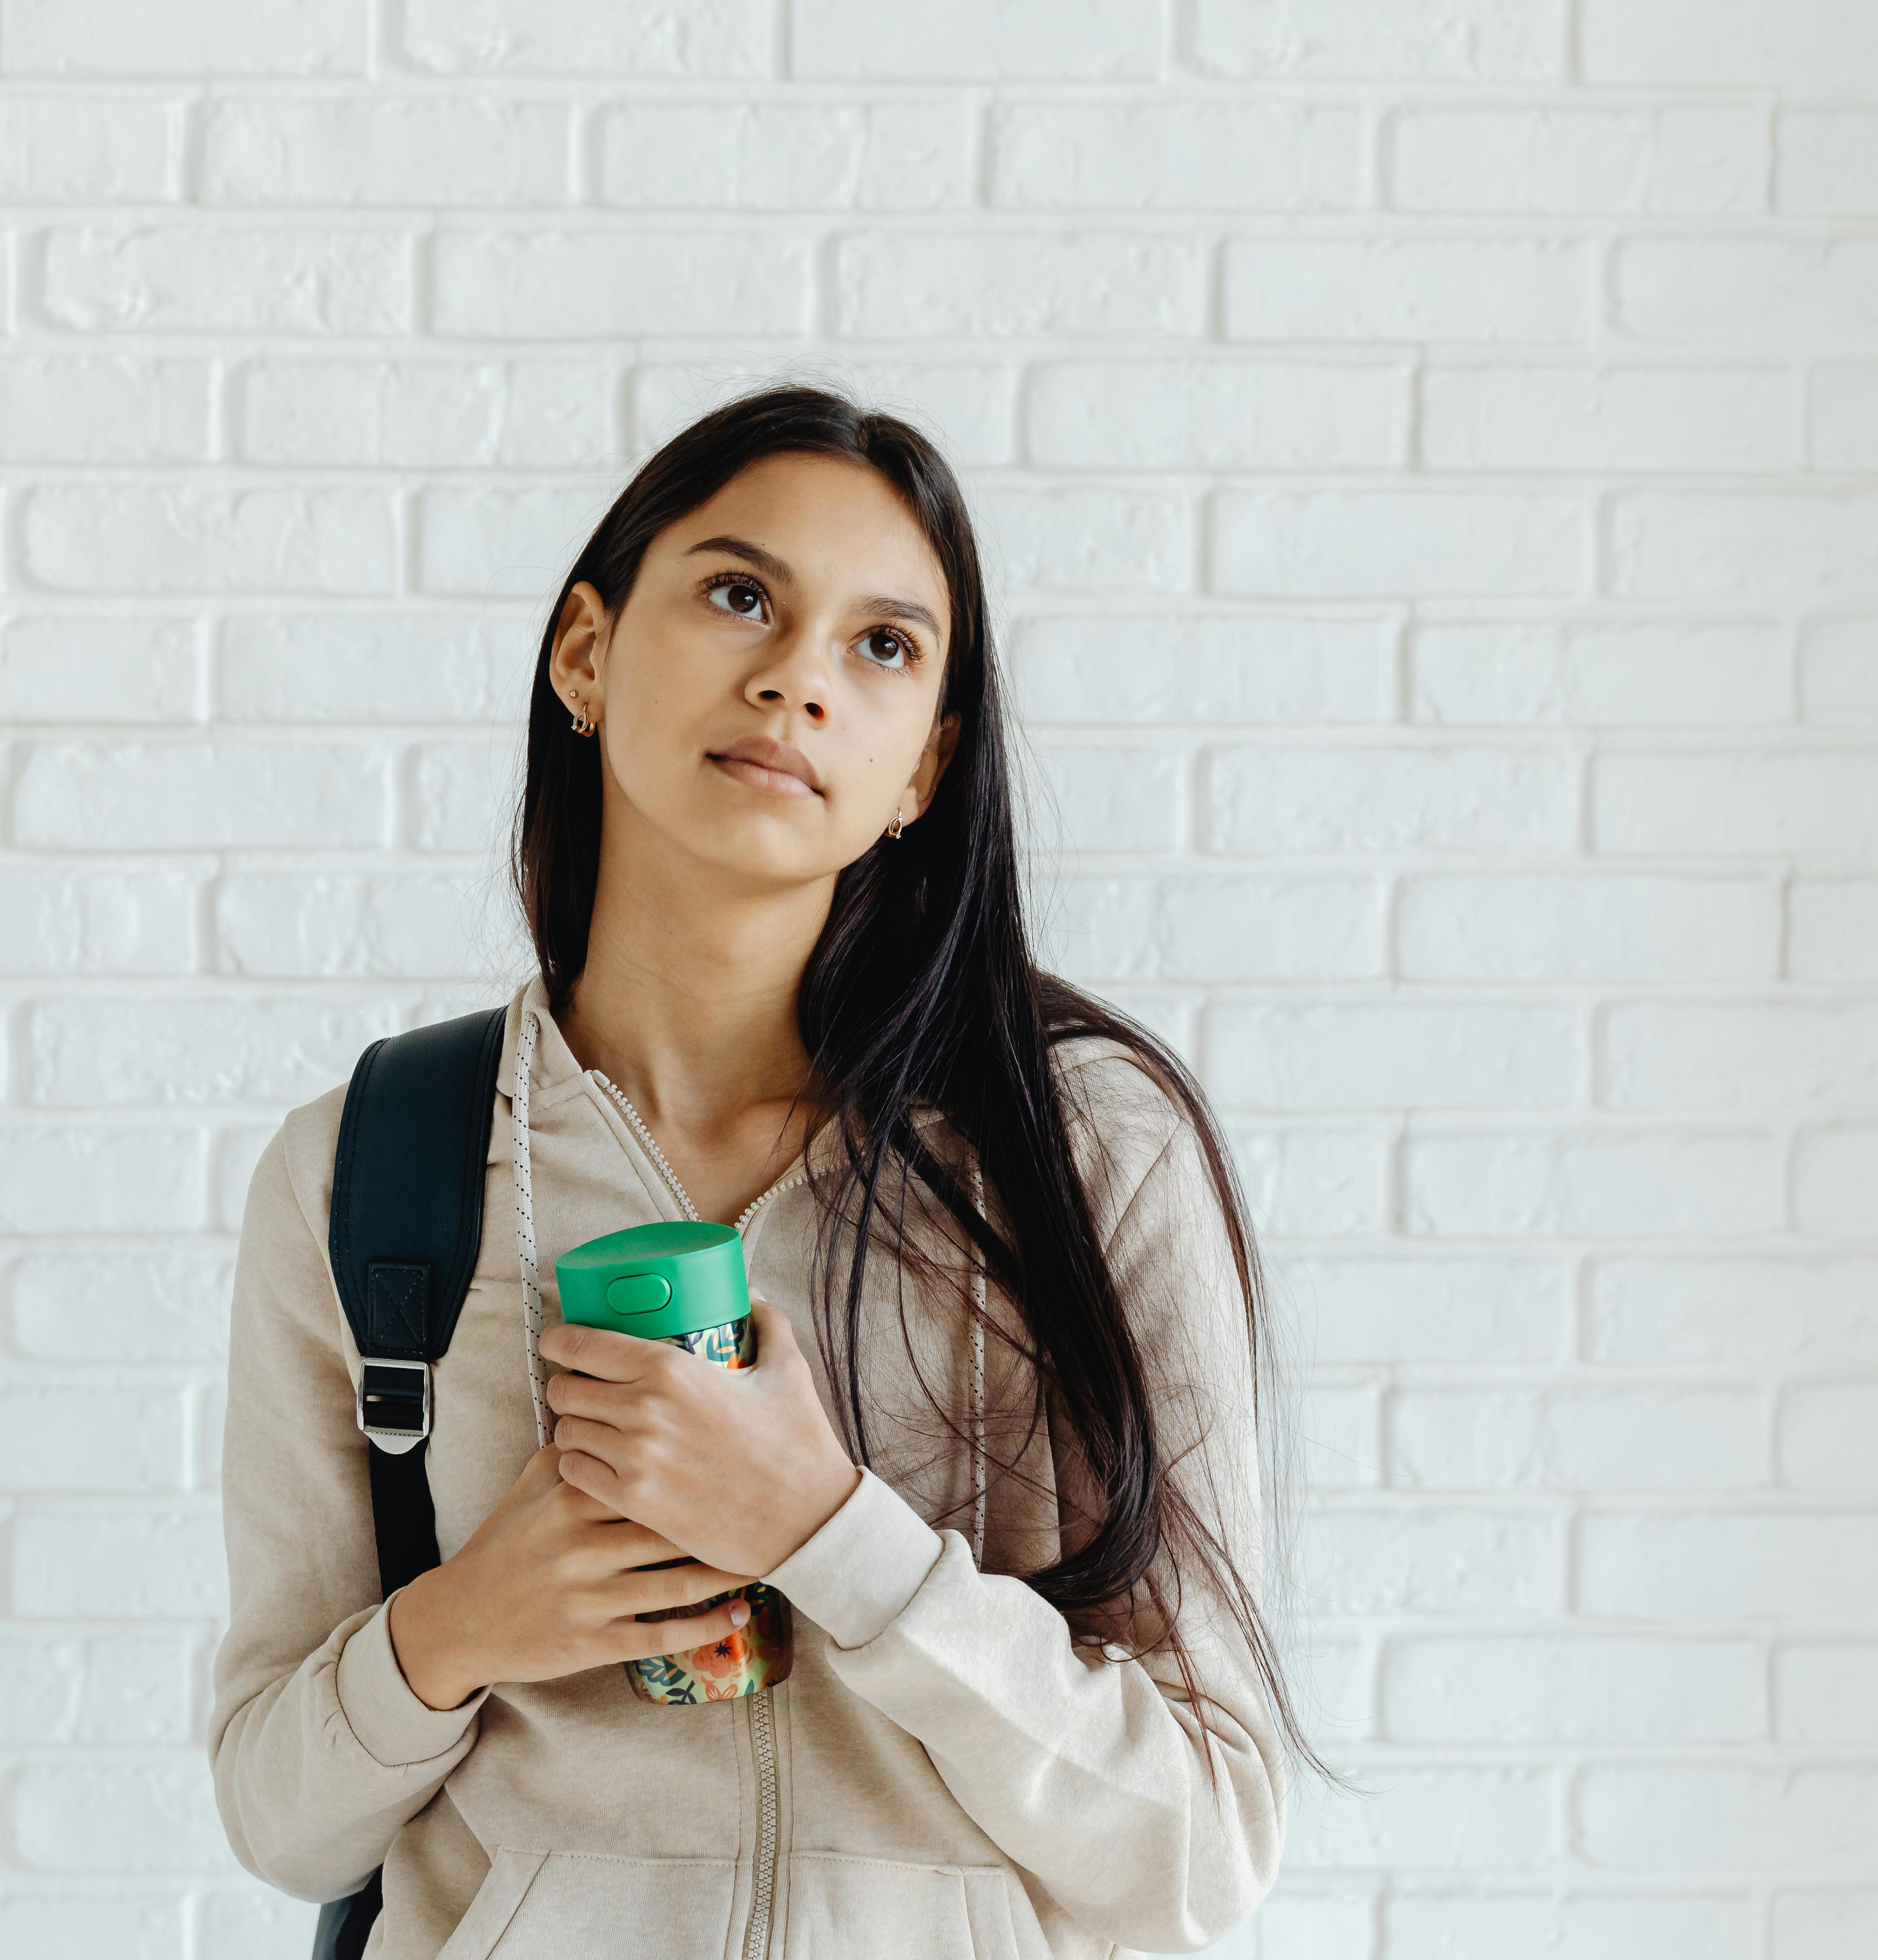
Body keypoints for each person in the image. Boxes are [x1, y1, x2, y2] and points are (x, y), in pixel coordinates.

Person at [207, 382, 1341, 1959]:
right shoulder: (371, 1169)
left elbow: (1202, 1847)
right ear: (587, 654)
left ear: (925, 765)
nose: (797, 677)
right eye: (739, 594)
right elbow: (279, 1813)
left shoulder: (1085, 1162)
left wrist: (831, 1530)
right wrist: (461, 1625)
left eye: (881, 645)